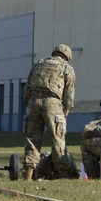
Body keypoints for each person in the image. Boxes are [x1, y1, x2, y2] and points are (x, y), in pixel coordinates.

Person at [22, 44, 75, 181]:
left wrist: (30, 103)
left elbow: (27, 89)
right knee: (58, 139)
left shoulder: (38, 64)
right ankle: (64, 174)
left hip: (34, 101)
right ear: (67, 57)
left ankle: (28, 175)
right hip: (53, 103)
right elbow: (69, 96)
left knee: (32, 140)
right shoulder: (67, 68)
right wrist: (64, 112)